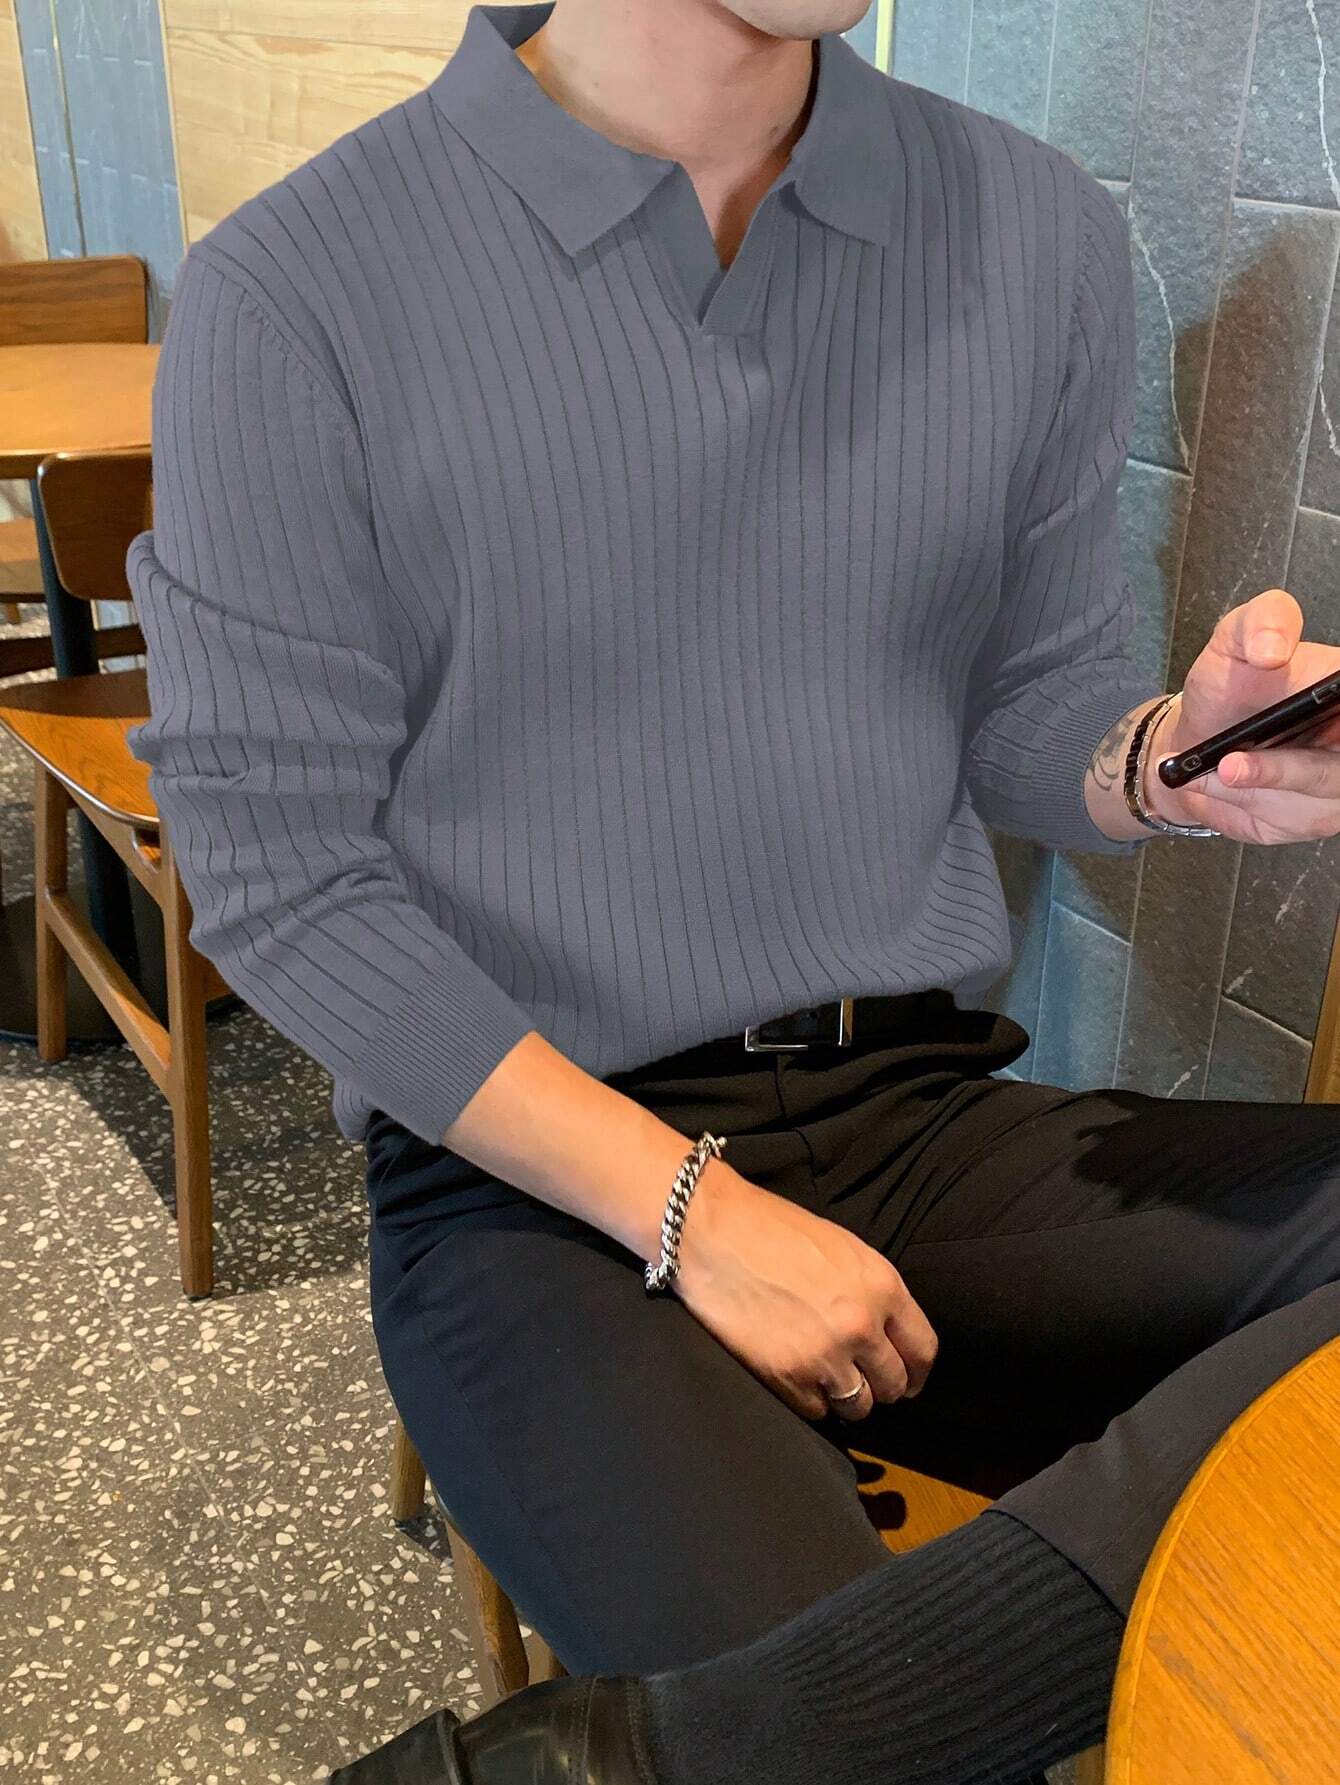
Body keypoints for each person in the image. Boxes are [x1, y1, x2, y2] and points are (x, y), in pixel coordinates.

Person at [125, 2, 1340, 1780]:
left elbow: (1027, 711)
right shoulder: (296, 288)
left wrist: (1162, 759)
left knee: (859, 1722)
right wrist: (691, 1212)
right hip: (532, 1187)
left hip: (915, 1113)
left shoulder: (1038, 230)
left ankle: (672, 1754)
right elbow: (280, 873)